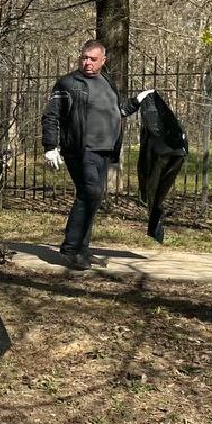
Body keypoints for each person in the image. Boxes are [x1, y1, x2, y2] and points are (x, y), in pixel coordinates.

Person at [40, 39, 153, 271]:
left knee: (93, 197)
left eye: (92, 59)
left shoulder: (106, 82)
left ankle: (82, 248)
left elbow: (118, 110)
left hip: (104, 151)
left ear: (103, 60)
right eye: (84, 57)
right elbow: (51, 115)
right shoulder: (68, 83)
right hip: (80, 150)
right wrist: (50, 146)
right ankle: (71, 249)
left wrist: (137, 101)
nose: (87, 62)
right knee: (89, 193)